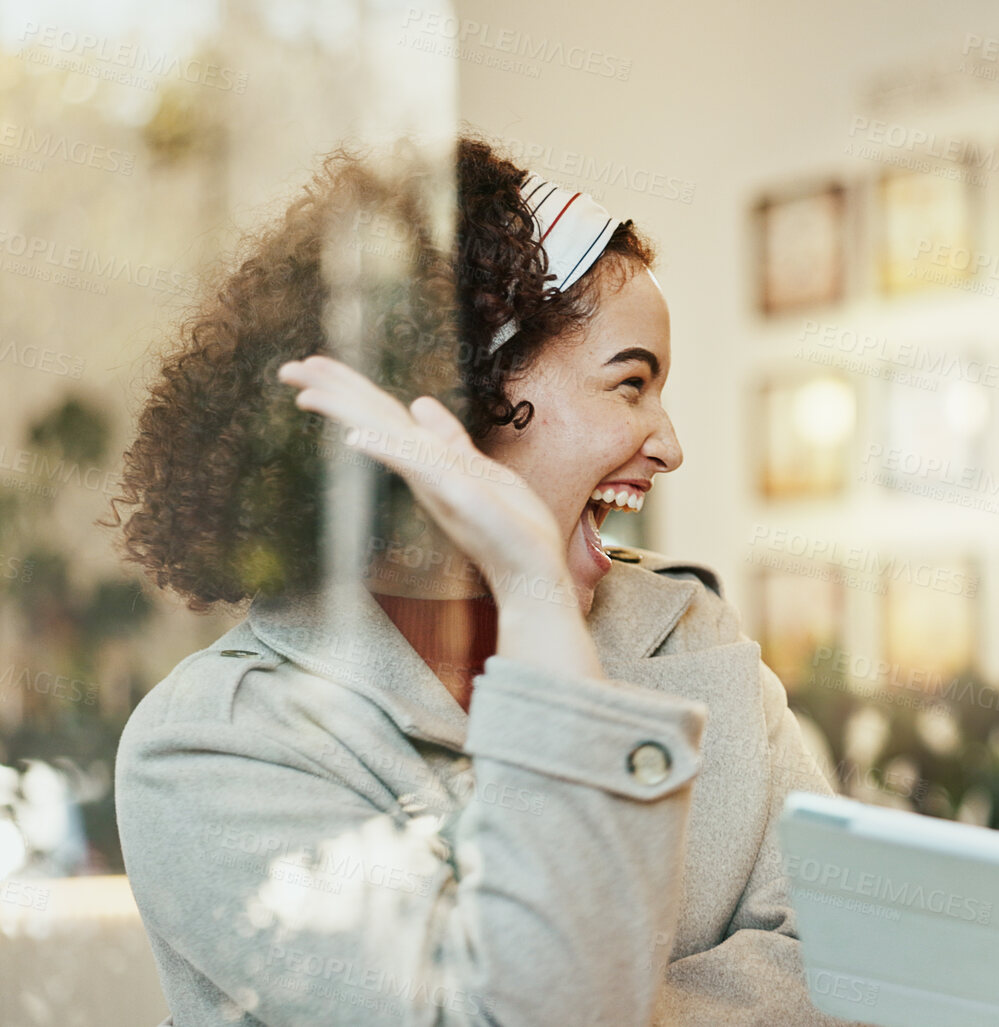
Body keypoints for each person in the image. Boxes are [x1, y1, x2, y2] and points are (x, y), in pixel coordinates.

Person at [111, 138, 853, 1025]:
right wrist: (531, 584)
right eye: (629, 384)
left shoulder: (695, 633)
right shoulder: (215, 745)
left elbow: (849, 960)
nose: (668, 443)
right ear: (466, 394)